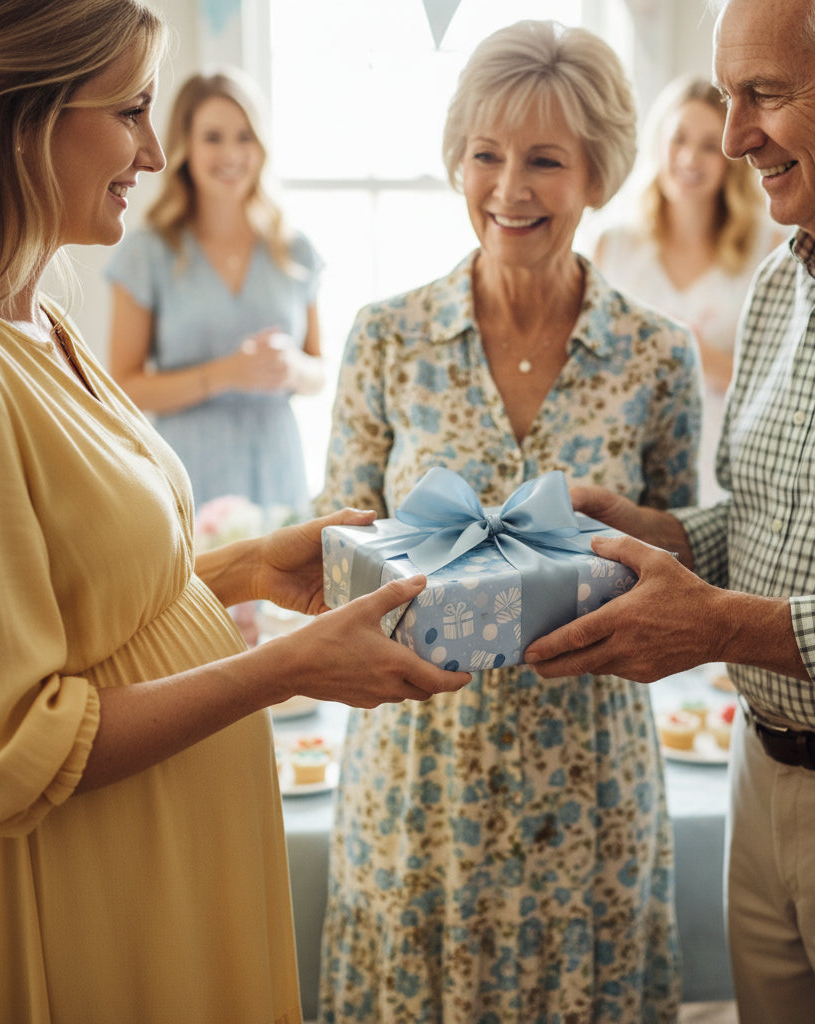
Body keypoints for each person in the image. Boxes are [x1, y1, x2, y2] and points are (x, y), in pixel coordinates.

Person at [0, 4, 469, 1022]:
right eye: (133, 111)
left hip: (176, 861)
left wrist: (244, 570)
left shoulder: (40, 317)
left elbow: (95, 602)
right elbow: (10, 751)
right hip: (100, 892)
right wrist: (291, 662)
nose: (154, 151)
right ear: (25, 121)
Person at [526, 1, 815, 1022]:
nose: (732, 137)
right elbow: (775, 524)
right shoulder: (780, 280)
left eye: (764, 95)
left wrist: (728, 625)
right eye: (728, 95)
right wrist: (663, 534)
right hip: (756, 779)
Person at [313, 20, 701, 1024]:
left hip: (590, 777)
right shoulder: (387, 338)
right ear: (456, 161)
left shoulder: (656, 357)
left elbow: (682, 550)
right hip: (419, 774)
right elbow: (330, 545)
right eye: (485, 154)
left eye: (544, 160)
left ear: (598, 173)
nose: (508, 188)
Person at [106, 67, 324, 517]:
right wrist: (226, 373)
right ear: (185, 145)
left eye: (245, 136)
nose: (232, 153)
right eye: (213, 137)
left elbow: (319, 371)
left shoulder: (294, 249)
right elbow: (124, 386)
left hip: (278, 469)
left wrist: (290, 367)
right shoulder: (148, 253)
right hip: (188, 471)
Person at [594, 75, 779, 502]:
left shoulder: (766, 250)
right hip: (627, 458)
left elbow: (780, 384)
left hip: (726, 468)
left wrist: (695, 354)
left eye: (710, 145)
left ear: (730, 156)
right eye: (679, 139)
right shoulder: (614, 246)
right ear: (659, 143)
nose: (690, 158)